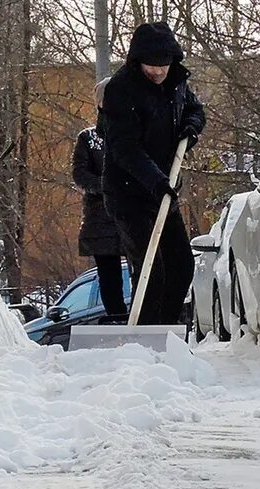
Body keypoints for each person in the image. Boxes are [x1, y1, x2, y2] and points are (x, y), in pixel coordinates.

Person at [101, 22, 205, 325]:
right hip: (129, 193)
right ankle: (144, 341)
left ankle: (165, 331)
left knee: (182, 265)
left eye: (164, 64)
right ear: (137, 61)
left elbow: (195, 110)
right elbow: (124, 148)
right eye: (152, 65)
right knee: (151, 270)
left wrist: (192, 127)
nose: (158, 72)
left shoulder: (176, 81)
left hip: (164, 190)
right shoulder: (121, 89)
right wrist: (155, 180)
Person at [71, 78, 127, 317]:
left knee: (143, 268)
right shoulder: (88, 138)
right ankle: (117, 316)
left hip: (133, 214)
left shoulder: (135, 133)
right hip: (100, 219)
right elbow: (80, 174)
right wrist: (108, 185)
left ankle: (143, 316)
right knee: (108, 273)